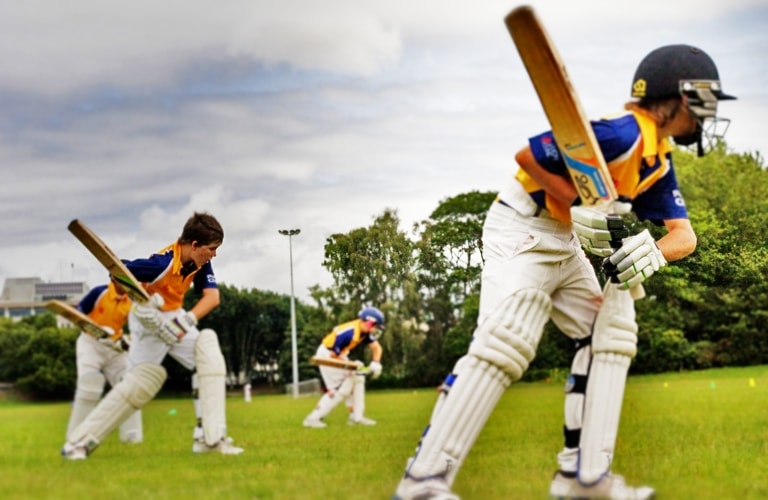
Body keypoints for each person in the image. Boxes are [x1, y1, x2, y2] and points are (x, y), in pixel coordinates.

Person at [394, 44, 735, 499]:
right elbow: (528, 156)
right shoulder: (623, 133)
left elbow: (683, 236)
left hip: (565, 241)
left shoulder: (659, 157)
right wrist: (579, 207)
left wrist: (652, 253)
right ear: (676, 98)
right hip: (521, 228)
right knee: (502, 343)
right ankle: (422, 482)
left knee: (606, 337)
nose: (707, 116)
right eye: (704, 103)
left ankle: (583, 479)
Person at [61, 212, 243, 459]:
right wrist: (142, 307)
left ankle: (210, 439)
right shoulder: (161, 263)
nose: (214, 254)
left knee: (207, 351)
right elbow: (118, 273)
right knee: (138, 384)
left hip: (175, 318)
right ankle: (79, 444)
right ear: (194, 245)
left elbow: (213, 297)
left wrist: (187, 320)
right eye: (211, 249)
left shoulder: (200, 262)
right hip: (147, 322)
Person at [64, 278, 143, 444]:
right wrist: (96, 329)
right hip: (90, 343)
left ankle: (131, 435)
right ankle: (76, 437)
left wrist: (127, 341)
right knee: (89, 385)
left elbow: (140, 327)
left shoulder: (132, 299)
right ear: (113, 279)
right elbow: (79, 314)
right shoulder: (99, 292)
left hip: (114, 347)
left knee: (129, 386)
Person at [303, 306, 385, 428]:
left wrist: (376, 362)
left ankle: (356, 417)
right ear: (368, 322)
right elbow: (333, 354)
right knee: (341, 388)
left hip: (338, 354)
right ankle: (313, 418)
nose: (374, 330)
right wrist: (353, 365)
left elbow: (377, 348)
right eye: (374, 326)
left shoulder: (364, 331)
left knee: (358, 377)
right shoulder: (349, 333)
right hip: (327, 355)